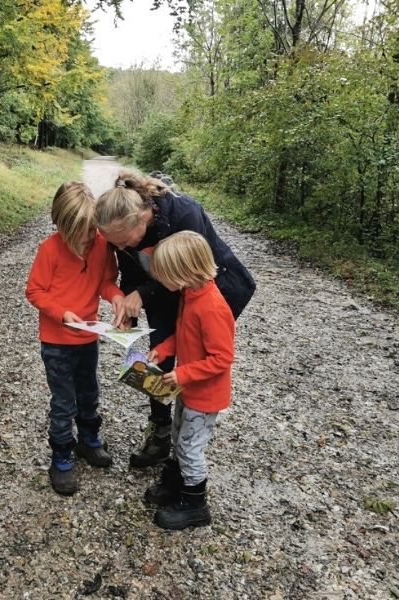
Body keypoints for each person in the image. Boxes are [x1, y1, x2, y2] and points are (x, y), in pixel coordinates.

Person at [94, 170, 254, 468]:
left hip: (206, 290)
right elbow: (130, 271)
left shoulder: (183, 214)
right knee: (159, 357)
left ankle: (193, 436)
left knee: (197, 353)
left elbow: (187, 270)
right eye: (113, 244)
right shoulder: (121, 235)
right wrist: (129, 308)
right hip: (166, 291)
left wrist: (143, 293)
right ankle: (163, 432)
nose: (119, 247)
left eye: (123, 240)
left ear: (142, 219)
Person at [25, 182, 125, 496]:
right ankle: (61, 455)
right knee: (63, 401)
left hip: (88, 339)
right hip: (56, 342)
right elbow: (34, 291)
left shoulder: (100, 244)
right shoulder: (50, 249)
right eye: (79, 234)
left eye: (90, 230)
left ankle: (89, 440)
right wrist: (62, 313)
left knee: (89, 391)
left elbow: (106, 281)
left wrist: (117, 297)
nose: (86, 239)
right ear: (60, 226)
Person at [145, 231, 235, 529]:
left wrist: (183, 373)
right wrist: (163, 350)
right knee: (178, 436)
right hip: (189, 390)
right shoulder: (191, 295)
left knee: (189, 447)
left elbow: (222, 358)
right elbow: (184, 337)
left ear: (184, 273)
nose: (160, 281)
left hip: (205, 396)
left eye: (164, 276)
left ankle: (195, 504)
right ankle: (174, 483)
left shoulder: (211, 306)